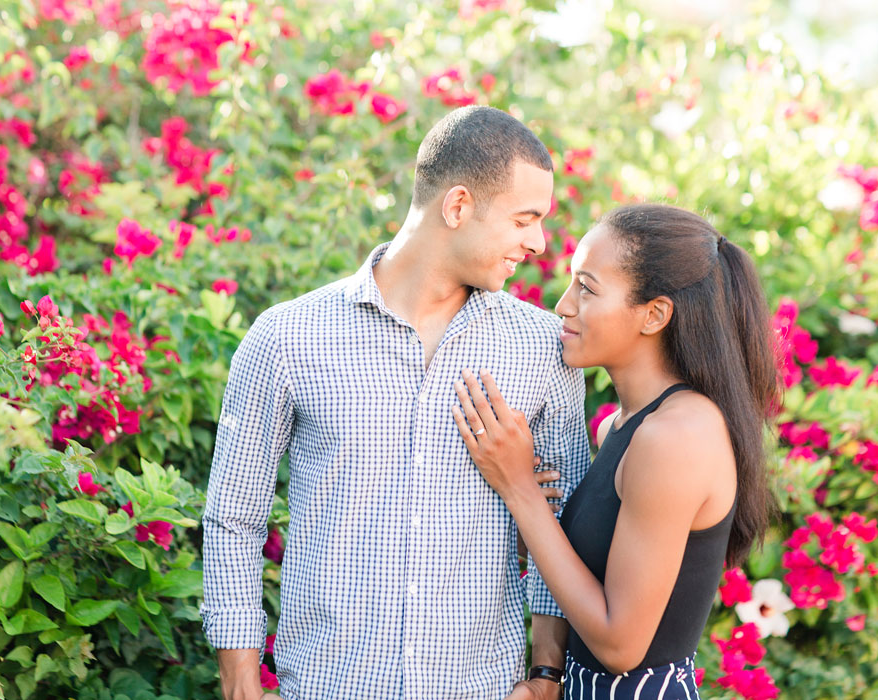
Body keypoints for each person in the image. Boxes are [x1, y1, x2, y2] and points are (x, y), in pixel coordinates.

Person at [201, 105, 591, 700]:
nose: (538, 243)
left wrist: (545, 674)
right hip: (327, 687)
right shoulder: (287, 337)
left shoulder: (543, 349)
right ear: (457, 207)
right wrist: (241, 684)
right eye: (524, 219)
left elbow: (564, 519)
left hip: (484, 688)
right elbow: (234, 518)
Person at [452, 203, 780, 698]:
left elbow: (619, 643)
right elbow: (587, 573)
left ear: (654, 315)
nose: (563, 305)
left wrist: (519, 488)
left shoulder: (676, 437)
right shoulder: (620, 427)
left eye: (587, 288)